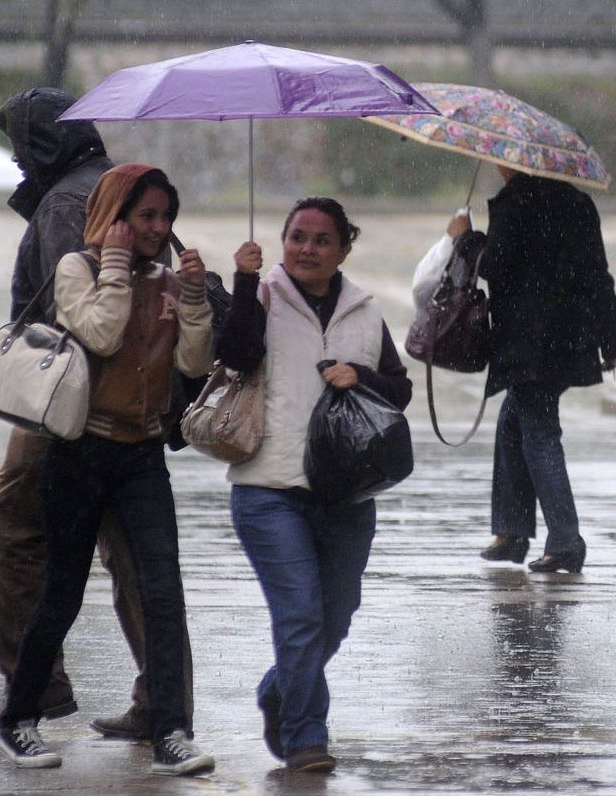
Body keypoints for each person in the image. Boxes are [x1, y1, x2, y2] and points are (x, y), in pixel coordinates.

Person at [0, 86, 194, 740]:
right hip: (124, 402)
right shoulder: (112, 185)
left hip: (78, 403)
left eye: (20, 144)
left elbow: (88, 319)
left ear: (43, 143)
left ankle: (35, 686)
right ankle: (163, 705)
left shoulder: (71, 201)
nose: (16, 159)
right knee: (136, 559)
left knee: (12, 524)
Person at [0, 164, 215, 776]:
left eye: (165, 217)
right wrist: (115, 267)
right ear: (114, 216)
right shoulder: (78, 269)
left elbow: (194, 363)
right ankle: (19, 719)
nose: (158, 228)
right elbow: (102, 335)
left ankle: (171, 731)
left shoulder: (168, 282)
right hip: (80, 453)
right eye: (145, 215)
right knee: (62, 593)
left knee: (162, 594)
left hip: (142, 457)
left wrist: (194, 299)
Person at [217, 197, 412, 773]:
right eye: (297, 237)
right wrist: (243, 281)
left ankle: (278, 690)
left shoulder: (364, 311)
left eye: (322, 240)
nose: (307, 249)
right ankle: (306, 738)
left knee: (337, 615)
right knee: (300, 616)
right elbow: (234, 357)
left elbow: (399, 390)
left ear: (344, 250)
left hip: (347, 495)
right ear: (282, 242)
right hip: (268, 488)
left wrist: (362, 376)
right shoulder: (261, 297)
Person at [448, 166, 616, 574]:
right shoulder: (578, 203)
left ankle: (565, 541)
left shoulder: (516, 202)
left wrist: (465, 238)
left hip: (529, 344)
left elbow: (495, 265)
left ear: (514, 161)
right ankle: (512, 532)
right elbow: (598, 275)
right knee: (513, 420)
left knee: (540, 433)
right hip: (569, 341)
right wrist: (613, 337)